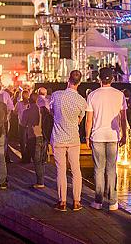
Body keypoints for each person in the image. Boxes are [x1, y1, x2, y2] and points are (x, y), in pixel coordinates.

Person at [86, 67, 127, 211]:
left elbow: (89, 120)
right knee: (111, 168)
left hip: (97, 135)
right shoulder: (119, 95)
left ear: (99, 79)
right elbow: (123, 118)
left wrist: (87, 136)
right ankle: (113, 202)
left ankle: (98, 201)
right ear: (113, 78)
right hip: (113, 136)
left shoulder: (92, 95)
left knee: (98, 169)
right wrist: (125, 135)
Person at [50, 70, 87, 212]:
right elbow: (79, 120)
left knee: (61, 170)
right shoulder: (81, 101)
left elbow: (51, 112)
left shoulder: (56, 95)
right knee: (76, 170)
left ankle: (62, 202)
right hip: (73, 138)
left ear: (68, 80)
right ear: (80, 82)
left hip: (58, 138)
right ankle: (77, 201)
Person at [22, 93, 46, 188]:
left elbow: (23, 124)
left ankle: (40, 182)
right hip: (42, 136)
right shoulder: (42, 111)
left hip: (33, 137)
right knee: (41, 160)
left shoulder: (26, 112)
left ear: (29, 100)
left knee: (36, 161)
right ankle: (42, 179)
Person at [0, 77, 14, 162]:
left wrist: (7, 114)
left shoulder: (5, 94)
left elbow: (10, 106)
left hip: (3, 120)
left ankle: (4, 156)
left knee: (4, 139)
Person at [14, 90, 30, 162]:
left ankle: (24, 157)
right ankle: (29, 157)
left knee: (22, 141)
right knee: (29, 141)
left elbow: (14, 112)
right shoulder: (30, 104)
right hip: (29, 124)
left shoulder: (19, 103)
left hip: (21, 124)